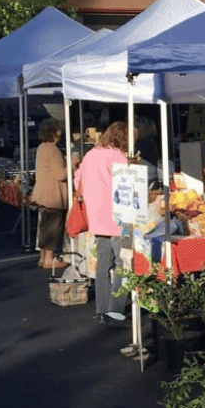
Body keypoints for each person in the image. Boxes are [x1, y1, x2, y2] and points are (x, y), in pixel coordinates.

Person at [75, 121, 130, 326]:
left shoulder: (91, 154)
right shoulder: (119, 157)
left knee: (102, 265)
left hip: (96, 216)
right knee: (123, 264)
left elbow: (77, 179)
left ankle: (101, 309)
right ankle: (115, 310)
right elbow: (127, 185)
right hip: (118, 217)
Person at [31, 117, 68, 270]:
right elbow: (61, 175)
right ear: (55, 132)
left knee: (44, 228)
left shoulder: (41, 147)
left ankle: (43, 258)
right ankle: (49, 260)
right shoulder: (53, 150)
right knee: (53, 228)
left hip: (42, 193)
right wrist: (71, 162)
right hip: (53, 196)